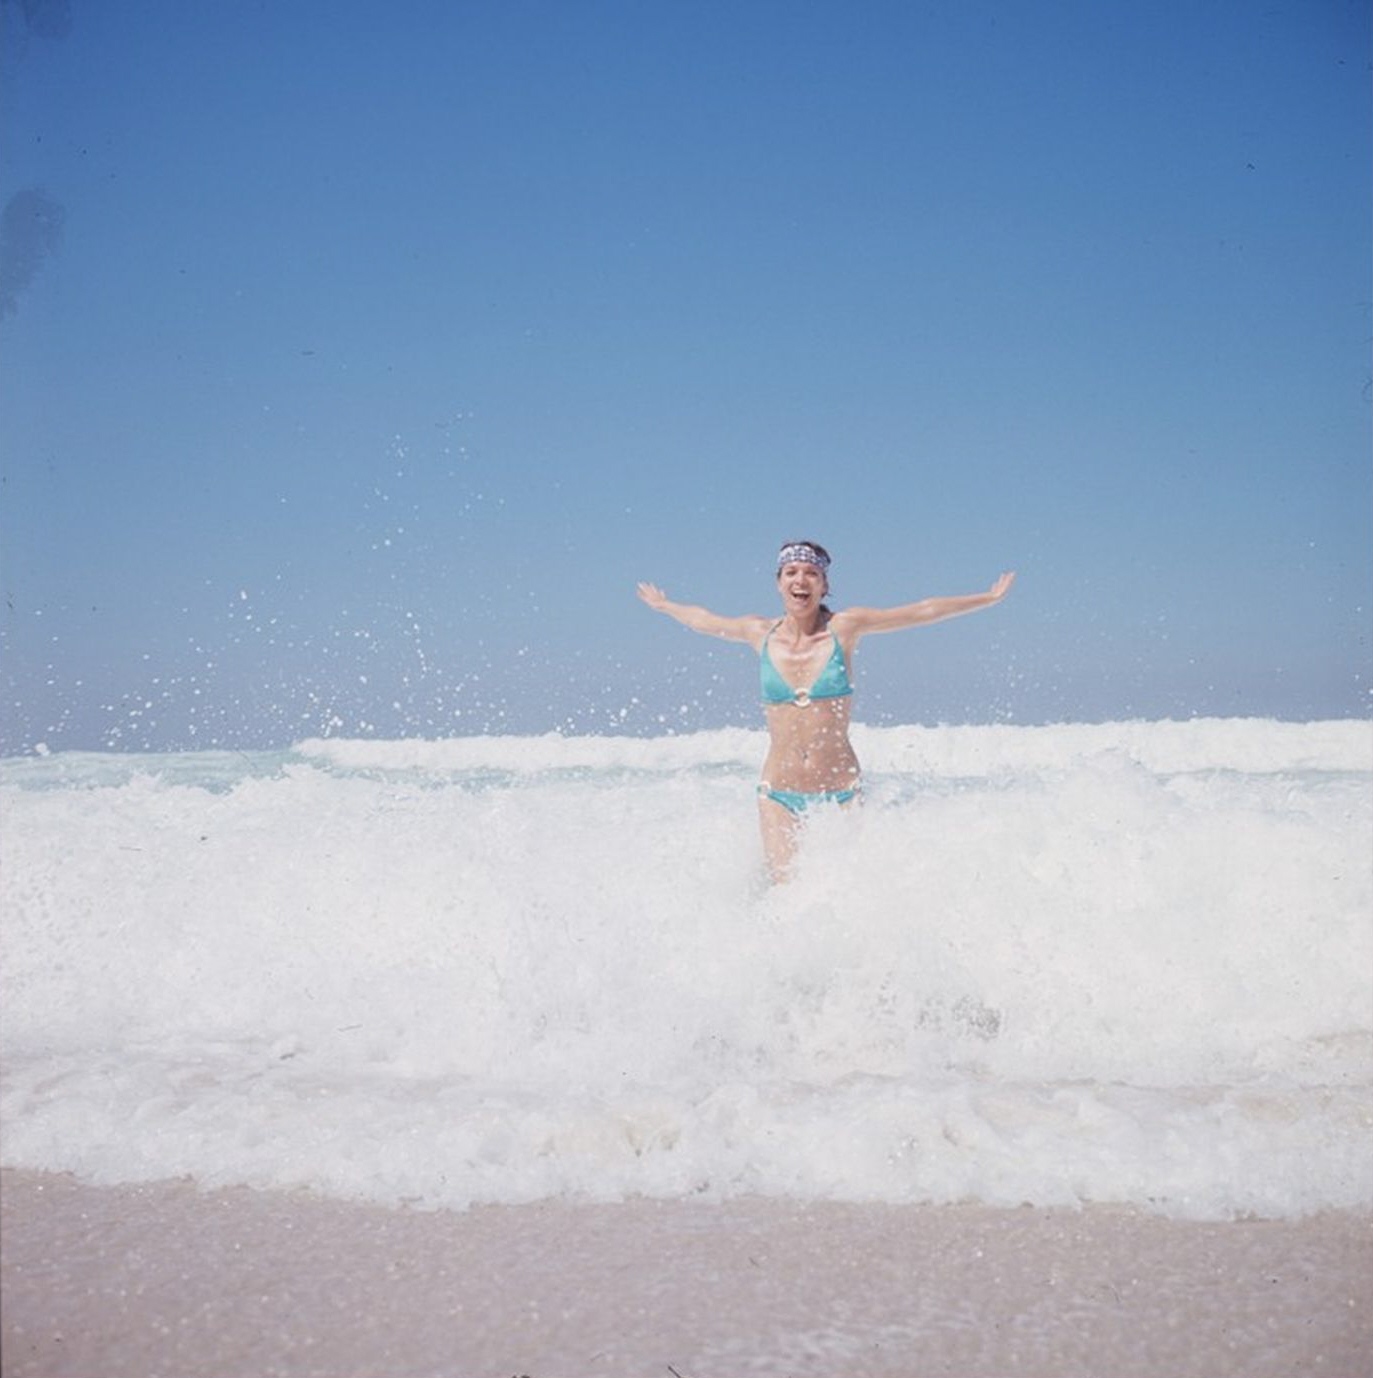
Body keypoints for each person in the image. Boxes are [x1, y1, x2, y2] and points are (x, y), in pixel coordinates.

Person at [637, 541, 1015, 881]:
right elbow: (705, 620)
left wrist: (987, 598)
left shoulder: (844, 628)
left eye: (811, 573)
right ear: (779, 583)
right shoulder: (759, 633)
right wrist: (665, 606)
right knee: (786, 893)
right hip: (778, 794)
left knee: (845, 892)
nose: (801, 580)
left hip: (840, 793)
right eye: (791, 572)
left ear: (823, 585)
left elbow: (921, 611)